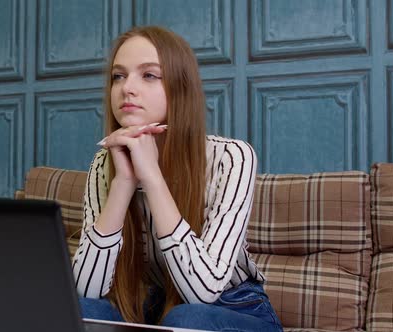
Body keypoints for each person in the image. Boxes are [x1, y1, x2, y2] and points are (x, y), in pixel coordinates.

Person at [72, 25, 283, 332]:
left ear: (179, 87)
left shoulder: (232, 158)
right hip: (159, 308)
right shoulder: (105, 164)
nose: (126, 88)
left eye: (148, 75)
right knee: (80, 309)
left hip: (236, 307)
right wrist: (123, 183)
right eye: (118, 75)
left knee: (187, 319)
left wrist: (152, 176)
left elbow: (204, 292)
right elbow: (85, 292)